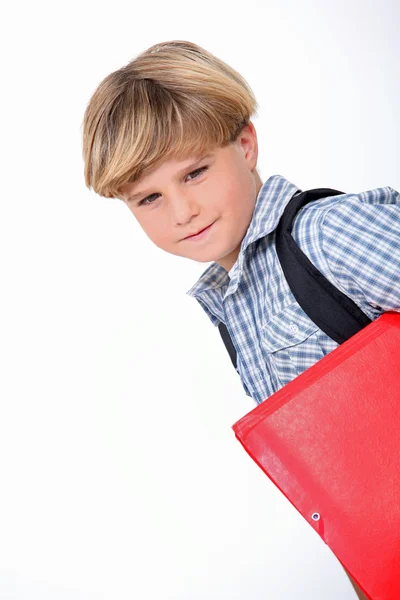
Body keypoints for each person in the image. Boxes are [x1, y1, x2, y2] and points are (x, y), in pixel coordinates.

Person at [81, 40, 400, 600]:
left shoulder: (324, 236)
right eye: (148, 199)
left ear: (246, 145)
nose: (183, 212)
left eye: (195, 173)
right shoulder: (237, 300)